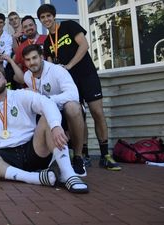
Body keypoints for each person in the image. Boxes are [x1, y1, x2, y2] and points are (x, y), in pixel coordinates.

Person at [0, 66, 89, 194]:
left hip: (33, 149)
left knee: (48, 118)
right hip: (5, 156)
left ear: (5, 79)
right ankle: (34, 178)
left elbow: (46, 103)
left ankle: (68, 174)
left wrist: (56, 126)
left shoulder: (19, 94)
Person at [37, 4, 121, 171]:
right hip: (69, 83)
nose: (46, 19)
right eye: (43, 17)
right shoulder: (47, 43)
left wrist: (69, 65)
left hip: (87, 75)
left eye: (48, 16)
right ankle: (84, 154)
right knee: (78, 117)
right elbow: (52, 67)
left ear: (54, 16)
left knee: (97, 112)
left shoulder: (69, 25)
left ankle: (105, 155)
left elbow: (84, 45)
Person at [19, 44, 86, 176]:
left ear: (41, 57)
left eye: (34, 58)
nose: (32, 62)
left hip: (66, 112)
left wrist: (47, 99)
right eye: (28, 60)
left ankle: (78, 157)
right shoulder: (27, 76)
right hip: (47, 115)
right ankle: (48, 160)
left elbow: (73, 95)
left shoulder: (57, 70)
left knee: (72, 107)